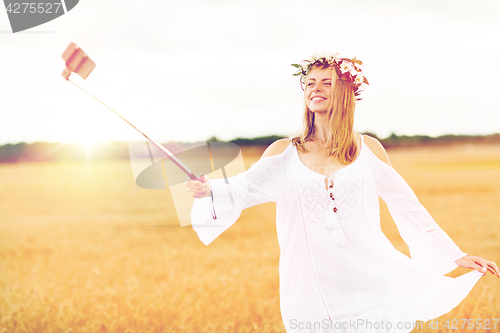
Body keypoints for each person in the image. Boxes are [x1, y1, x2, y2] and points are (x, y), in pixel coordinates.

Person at [185, 52, 499, 333]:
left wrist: (456, 256)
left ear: (346, 93)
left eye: (326, 82)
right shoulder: (283, 153)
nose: (315, 88)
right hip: (310, 288)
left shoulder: (369, 149)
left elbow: (407, 206)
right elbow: (242, 187)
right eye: (309, 83)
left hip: (370, 279)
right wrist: (207, 189)